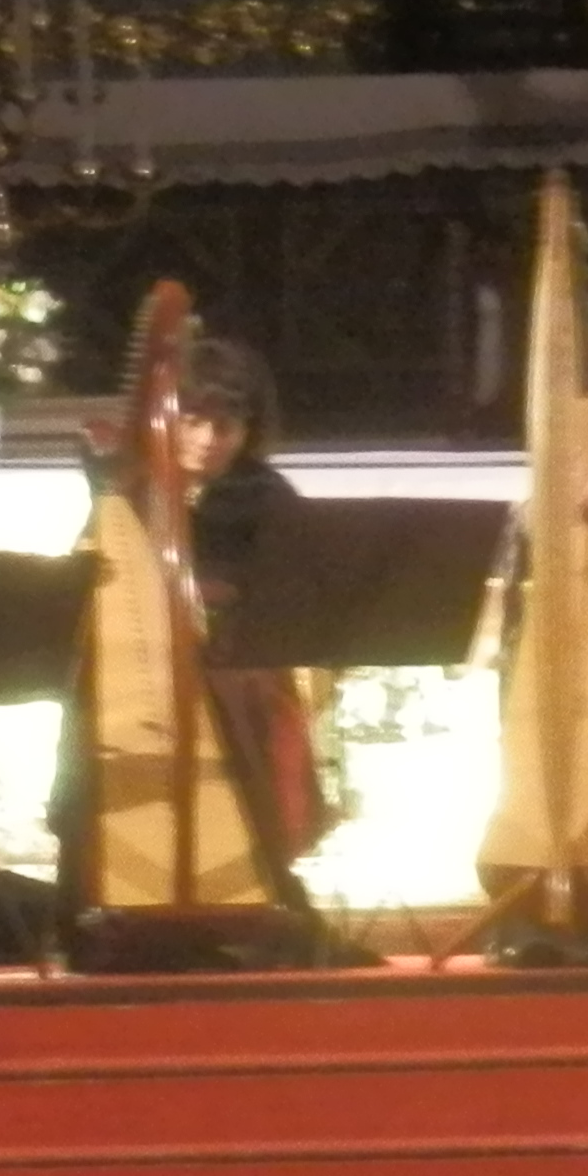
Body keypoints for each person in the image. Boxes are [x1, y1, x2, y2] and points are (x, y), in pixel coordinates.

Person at [178, 332, 328, 892]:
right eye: (192, 421)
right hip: (153, 673)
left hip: (241, 672)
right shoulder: (132, 493)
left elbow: (302, 596)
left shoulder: (268, 496)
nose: (207, 441)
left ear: (250, 429)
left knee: (244, 689)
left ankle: (256, 878)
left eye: (225, 427)